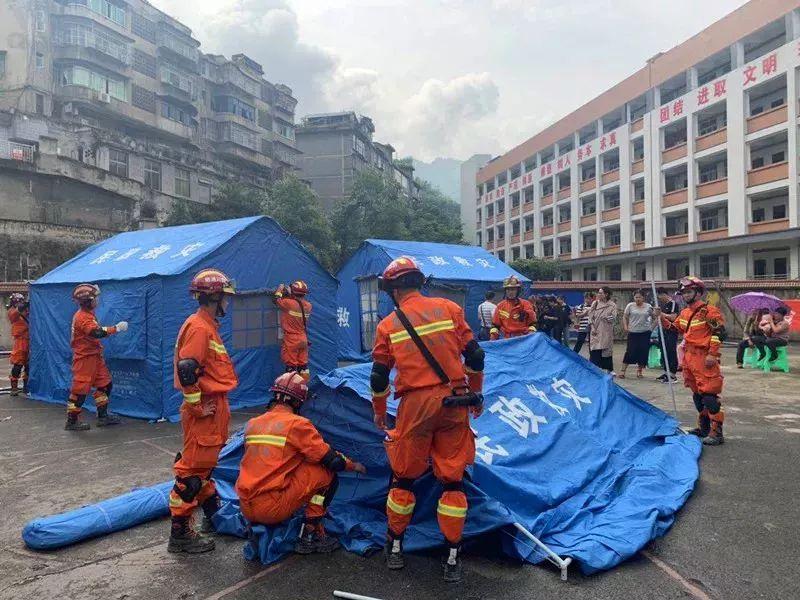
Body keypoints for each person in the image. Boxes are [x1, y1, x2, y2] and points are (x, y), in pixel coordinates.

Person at [370, 256, 485, 583]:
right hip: (456, 400)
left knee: (404, 477)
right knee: (452, 479)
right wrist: (475, 393)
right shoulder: (449, 308)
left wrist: (379, 412)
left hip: (415, 405)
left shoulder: (388, 325)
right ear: (419, 282)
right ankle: (452, 557)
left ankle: (394, 547)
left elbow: (379, 377)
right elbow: (475, 355)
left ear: (393, 289)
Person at [236, 372, 366, 554]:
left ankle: (258, 529)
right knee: (326, 473)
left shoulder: (252, 423)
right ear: (298, 402)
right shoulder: (297, 424)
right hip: (272, 508)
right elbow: (332, 461)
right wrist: (354, 466)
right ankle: (310, 534)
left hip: (245, 506)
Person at [168, 269, 237, 554]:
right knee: (191, 475)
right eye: (226, 298)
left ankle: (212, 517)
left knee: (204, 470)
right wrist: (197, 407)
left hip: (213, 409)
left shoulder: (206, 325)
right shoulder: (199, 327)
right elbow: (187, 370)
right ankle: (180, 534)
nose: (229, 303)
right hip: (205, 412)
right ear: (214, 297)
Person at [654, 276, 725, 446]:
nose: (686, 295)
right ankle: (704, 427)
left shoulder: (709, 311)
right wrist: (661, 318)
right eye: (684, 293)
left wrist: (712, 355)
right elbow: (675, 328)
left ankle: (717, 432)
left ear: (699, 293)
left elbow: (720, 332)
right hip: (689, 358)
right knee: (697, 396)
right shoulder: (685, 313)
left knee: (709, 396)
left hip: (704, 357)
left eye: (689, 292)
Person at [66, 284, 128, 431]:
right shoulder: (82, 317)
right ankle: (71, 421)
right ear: (88, 301)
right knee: (79, 391)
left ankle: (103, 416)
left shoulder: (88, 314)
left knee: (105, 385)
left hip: (94, 357)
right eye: (95, 298)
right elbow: (96, 333)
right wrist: (116, 328)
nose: (97, 301)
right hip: (85, 359)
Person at [273, 281, 312, 381]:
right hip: (303, 338)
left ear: (294, 292)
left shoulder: (288, 303)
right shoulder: (308, 306)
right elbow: (297, 304)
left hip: (291, 339)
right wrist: (291, 294)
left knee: (291, 366)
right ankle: (304, 387)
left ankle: (290, 388)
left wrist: (280, 289)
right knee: (303, 366)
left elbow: (276, 299)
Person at [619, 290, 654, 379]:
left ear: (643, 298)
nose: (637, 299)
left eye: (639, 297)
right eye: (636, 297)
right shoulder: (630, 306)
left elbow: (655, 317)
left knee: (643, 351)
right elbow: (625, 316)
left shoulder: (648, 307)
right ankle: (623, 371)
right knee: (630, 351)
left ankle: (639, 371)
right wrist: (626, 326)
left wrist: (652, 328)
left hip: (645, 333)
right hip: (633, 332)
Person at [587, 287, 617, 374]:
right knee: (595, 349)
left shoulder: (612, 305)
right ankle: (594, 368)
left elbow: (614, 317)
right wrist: (592, 328)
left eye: (601, 293)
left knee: (607, 350)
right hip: (595, 330)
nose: (598, 295)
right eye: (598, 293)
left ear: (606, 294)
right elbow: (590, 317)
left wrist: (608, 318)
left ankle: (609, 369)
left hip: (606, 330)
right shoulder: (595, 303)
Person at [6, 293, 30, 396]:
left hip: (29, 341)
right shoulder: (12, 312)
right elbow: (17, 311)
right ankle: (14, 388)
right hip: (20, 342)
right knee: (18, 364)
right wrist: (25, 304)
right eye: (19, 301)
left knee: (29, 365)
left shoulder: (26, 311)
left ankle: (26, 387)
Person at [655, 288, 679, 382]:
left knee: (670, 351)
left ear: (664, 294)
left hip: (671, 331)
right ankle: (666, 372)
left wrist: (661, 314)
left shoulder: (673, 304)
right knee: (663, 351)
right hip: (662, 331)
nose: (659, 298)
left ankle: (672, 375)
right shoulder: (662, 305)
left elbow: (673, 317)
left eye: (659, 296)